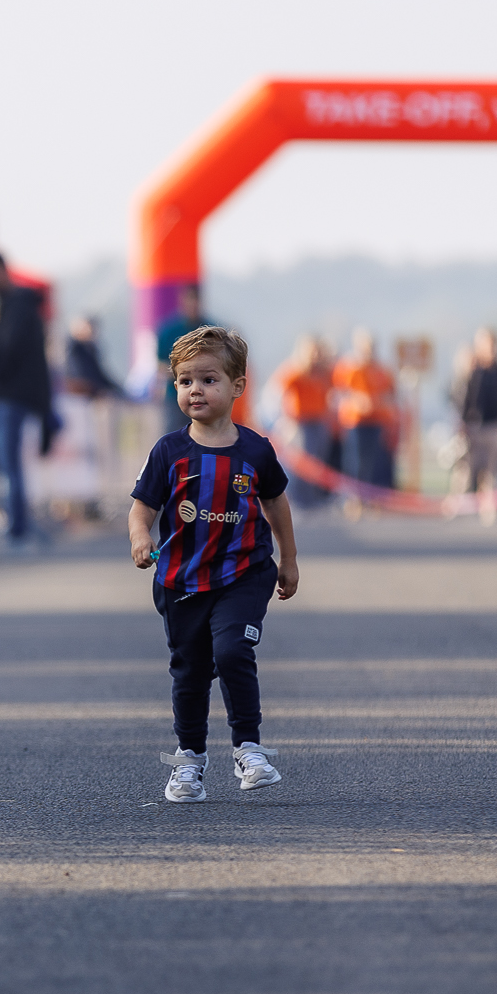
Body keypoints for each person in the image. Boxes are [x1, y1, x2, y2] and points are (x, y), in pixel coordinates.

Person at [127, 325, 299, 805]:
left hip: (244, 573)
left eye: (208, 380)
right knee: (191, 670)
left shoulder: (256, 450)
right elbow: (142, 507)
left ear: (237, 386)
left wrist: (288, 558)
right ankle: (189, 759)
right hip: (182, 580)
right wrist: (140, 538)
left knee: (232, 651)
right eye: (185, 381)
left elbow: (276, 503)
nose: (195, 390)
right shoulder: (169, 451)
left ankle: (249, 749)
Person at [0, 249, 53, 548]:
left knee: (7, 465)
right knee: (8, 465)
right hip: (15, 395)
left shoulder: (14, 307)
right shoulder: (16, 305)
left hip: (10, 395)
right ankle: (18, 526)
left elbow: (8, 349)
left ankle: (17, 529)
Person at [453, 327, 497, 520]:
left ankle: (490, 507)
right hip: (473, 426)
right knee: (467, 469)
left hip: (494, 426)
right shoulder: (473, 371)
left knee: (492, 470)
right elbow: (461, 397)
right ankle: (461, 506)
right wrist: (463, 421)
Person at [267, 336, 333, 505]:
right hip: (300, 422)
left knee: (317, 462)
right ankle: (297, 499)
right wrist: (282, 420)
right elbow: (275, 393)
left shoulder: (323, 372)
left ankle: (311, 497)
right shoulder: (294, 370)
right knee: (301, 463)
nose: (315, 356)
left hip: (318, 421)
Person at [331, 330, 397, 488]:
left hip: (377, 420)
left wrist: (378, 401)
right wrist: (357, 401)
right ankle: (354, 494)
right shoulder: (348, 367)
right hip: (355, 421)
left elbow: (390, 393)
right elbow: (337, 392)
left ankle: (370, 494)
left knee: (374, 462)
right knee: (355, 461)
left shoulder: (381, 369)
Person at [153, 284, 213, 433]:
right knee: (175, 436)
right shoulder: (168, 331)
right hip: (176, 397)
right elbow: (160, 364)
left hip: (205, 396)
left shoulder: (211, 330)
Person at [64, 315, 121, 399]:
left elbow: (100, 374)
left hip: (95, 390)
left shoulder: (90, 349)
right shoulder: (74, 348)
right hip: (82, 392)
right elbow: (80, 374)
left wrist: (117, 389)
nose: (91, 332)